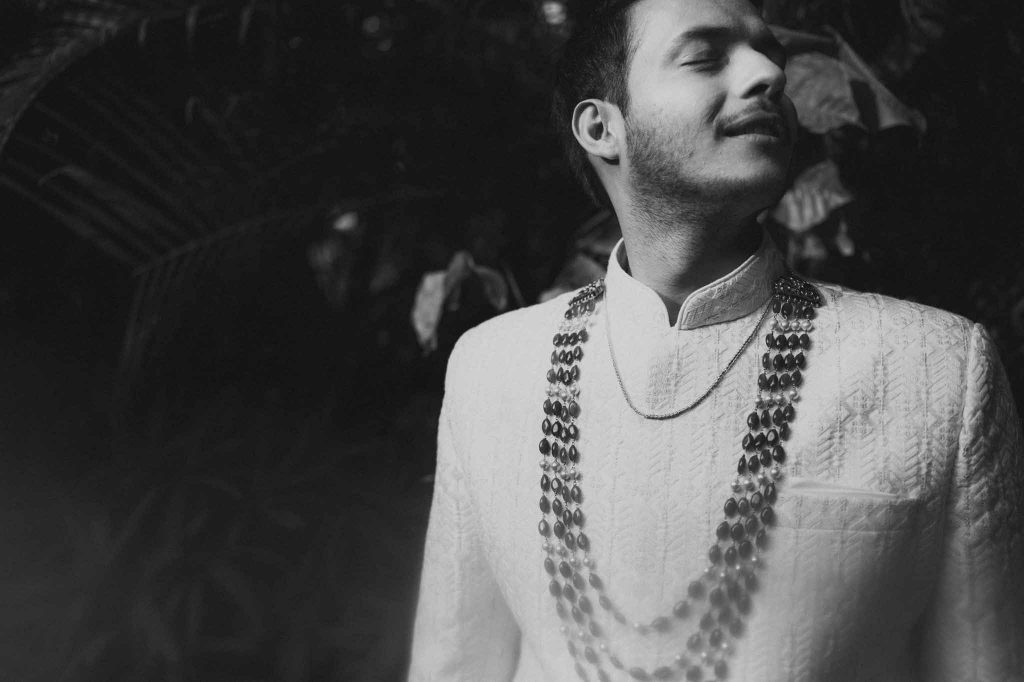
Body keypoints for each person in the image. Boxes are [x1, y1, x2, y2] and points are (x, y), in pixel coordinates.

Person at [408, 0, 1024, 679]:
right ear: (601, 126)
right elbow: (453, 664)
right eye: (704, 55)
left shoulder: (938, 368)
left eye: (772, 56)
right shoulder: (490, 369)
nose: (768, 74)